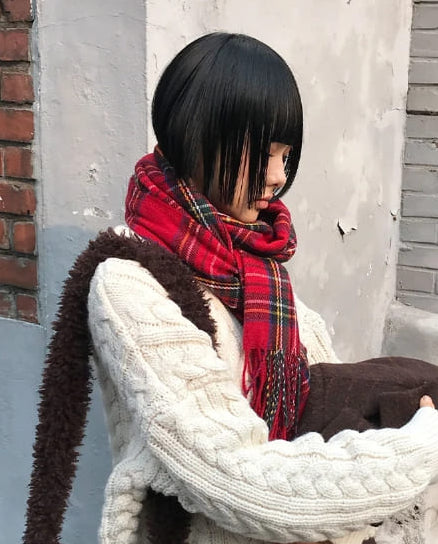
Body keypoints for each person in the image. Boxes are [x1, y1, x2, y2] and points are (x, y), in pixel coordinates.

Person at [24, 32, 438, 544]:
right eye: (263, 153)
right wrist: (420, 443)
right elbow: (233, 475)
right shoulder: (131, 283)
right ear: (198, 138)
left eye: (286, 156)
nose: (277, 177)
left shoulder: (261, 275)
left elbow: (322, 415)